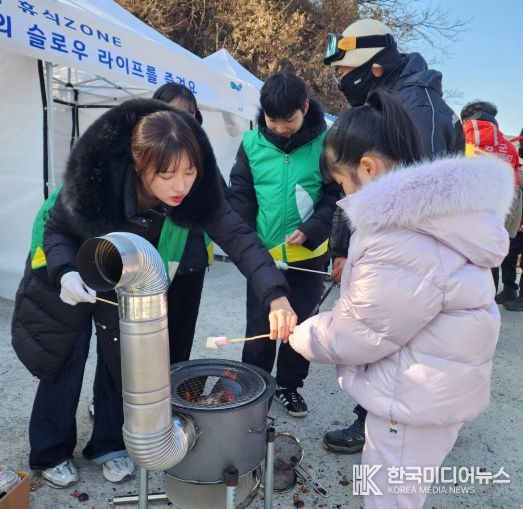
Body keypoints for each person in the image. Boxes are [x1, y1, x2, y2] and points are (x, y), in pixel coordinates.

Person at [11, 98, 297, 488]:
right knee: (64, 355)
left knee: (120, 356)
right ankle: (50, 452)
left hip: (119, 270)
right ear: (140, 165)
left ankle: (108, 445)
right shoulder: (99, 177)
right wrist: (64, 273)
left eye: (189, 171)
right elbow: (57, 228)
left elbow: (240, 238)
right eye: (167, 174)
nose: (181, 186)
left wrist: (275, 294)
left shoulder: (195, 192)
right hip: (63, 265)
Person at [288, 89, 513, 508]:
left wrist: (301, 334)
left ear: (367, 168)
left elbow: (361, 332)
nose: (343, 197)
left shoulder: (397, 235)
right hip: (436, 387)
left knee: (389, 497)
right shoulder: (439, 215)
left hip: (410, 398)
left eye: (342, 184)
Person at [322, 17, 465, 453]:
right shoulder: (385, 101)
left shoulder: (418, 108)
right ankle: (392, 414)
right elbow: (353, 186)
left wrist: (369, 256)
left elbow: (411, 198)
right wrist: (342, 248)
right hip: (388, 246)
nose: (342, 82)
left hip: (412, 253)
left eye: (346, 72)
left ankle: (388, 420)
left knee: (396, 333)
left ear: (376, 66)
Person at [228, 72, 339, 417]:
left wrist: (312, 229)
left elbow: (336, 195)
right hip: (263, 257)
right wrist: (248, 246)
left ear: (304, 107)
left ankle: (289, 386)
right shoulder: (251, 144)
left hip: (309, 255)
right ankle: (254, 385)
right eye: (271, 120)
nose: (279, 128)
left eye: (287, 120)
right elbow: (241, 199)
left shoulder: (328, 144)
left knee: (300, 325)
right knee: (260, 325)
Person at [152, 83, 218, 362]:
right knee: (146, 336)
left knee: (182, 331)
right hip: (152, 257)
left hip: (192, 257)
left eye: (187, 113)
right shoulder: (144, 148)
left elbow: (222, 201)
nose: (180, 119)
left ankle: (177, 385)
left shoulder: (201, 152)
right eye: (171, 111)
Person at [460, 100, 523, 309]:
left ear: (467, 118)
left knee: (463, 263)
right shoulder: (509, 148)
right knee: (490, 261)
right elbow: (514, 187)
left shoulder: (458, 138)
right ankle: (487, 306)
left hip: (464, 214)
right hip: (500, 214)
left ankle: (465, 306)